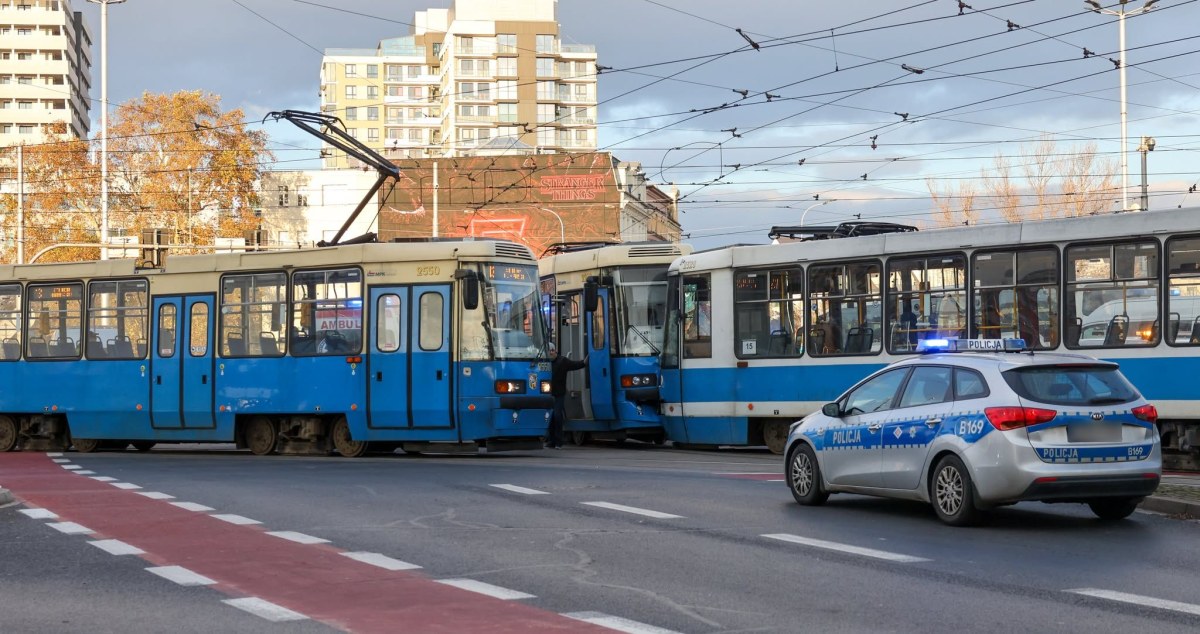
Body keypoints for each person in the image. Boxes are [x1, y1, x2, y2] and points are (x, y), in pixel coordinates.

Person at [547, 343, 587, 449]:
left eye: (552, 350)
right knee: (550, 418)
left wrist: (584, 362)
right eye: (548, 351)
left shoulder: (562, 361)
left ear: (555, 351)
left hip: (558, 394)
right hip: (547, 395)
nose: (551, 352)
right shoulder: (544, 363)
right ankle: (551, 441)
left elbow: (574, 365)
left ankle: (558, 441)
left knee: (557, 416)